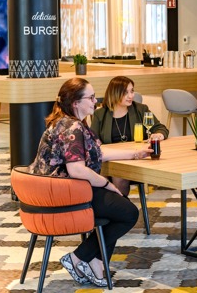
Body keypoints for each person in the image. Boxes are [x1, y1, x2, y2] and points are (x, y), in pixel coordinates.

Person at [28, 78, 152, 287]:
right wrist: (107, 184)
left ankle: (95, 262)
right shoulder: (72, 127)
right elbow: (76, 170)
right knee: (128, 212)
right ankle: (79, 257)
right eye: (91, 97)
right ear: (76, 103)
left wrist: (134, 153)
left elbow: (98, 152)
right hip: (64, 194)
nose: (96, 101)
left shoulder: (68, 122)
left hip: (57, 191)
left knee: (116, 209)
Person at [91, 76, 169, 195]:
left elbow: (161, 128)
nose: (131, 96)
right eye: (125, 92)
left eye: (132, 91)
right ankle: (115, 203)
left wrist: (158, 135)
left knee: (118, 173)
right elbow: (93, 141)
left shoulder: (141, 109)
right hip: (111, 159)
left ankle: (120, 203)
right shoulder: (100, 114)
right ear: (114, 93)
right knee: (106, 174)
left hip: (135, 158)